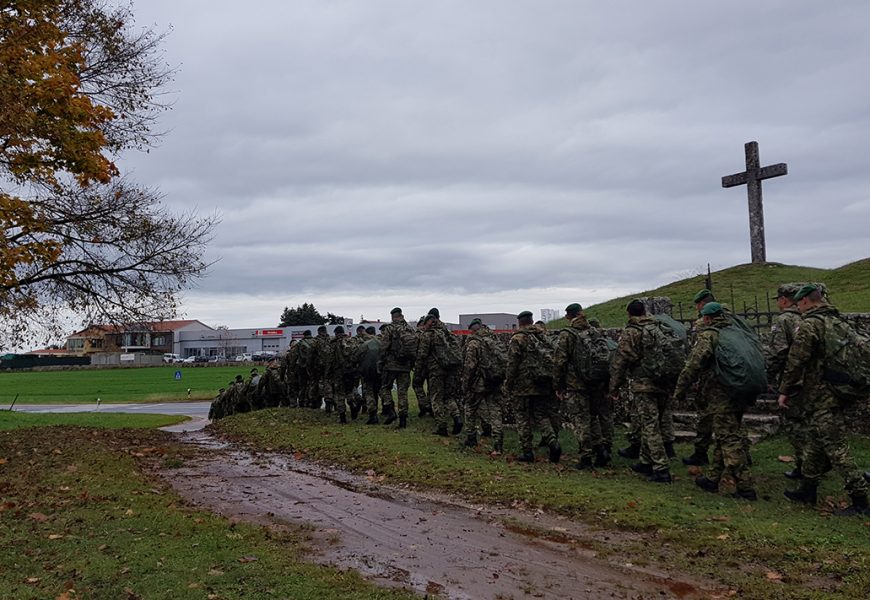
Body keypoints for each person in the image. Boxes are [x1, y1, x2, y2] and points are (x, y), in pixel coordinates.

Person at [779, 284, 870, 516]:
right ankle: (808, 489)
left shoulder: (810, 324)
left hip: (823, 395)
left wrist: (784, 390)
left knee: (836, 447)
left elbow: (796, 360)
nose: (797, 308)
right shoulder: (838, 321)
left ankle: (860, 499)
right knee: (815, 442)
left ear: (807, 302)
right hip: (841, 389)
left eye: (799, 304)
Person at [673, 302, 756, 499]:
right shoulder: (736, 332)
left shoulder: (710, 335)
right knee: (723, 436)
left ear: (708, 318)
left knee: (728, 440)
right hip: (739, 391)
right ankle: (712, 479)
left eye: (702, 317)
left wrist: (679, 391)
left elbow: (693, 365)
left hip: (721, 396)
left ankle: (745, 488)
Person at [610, 300, 673, 484]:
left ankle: (661, 469)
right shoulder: (658, 327)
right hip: (663, 381)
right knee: (653, 423)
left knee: (650, 426)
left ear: (629, 314)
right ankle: (645, 462)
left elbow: (620, 362)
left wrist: (614, 387)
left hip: (644, 385)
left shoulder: (631, 332)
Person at [555, 303, 610, 469]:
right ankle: (601, 451)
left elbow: (560, 361)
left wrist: (558, 385)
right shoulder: (594, 331)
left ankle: (586, 457)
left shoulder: (568, 334)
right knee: (593, 419)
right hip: (595, 382)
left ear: (568, 316)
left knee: (581, 421)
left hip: (576, 384)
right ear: (582, 314)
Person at [504, 310, 561, 463]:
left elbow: (512, 364)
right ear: (532, 320)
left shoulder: (518, 338)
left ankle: (527, 452)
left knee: (522, 418)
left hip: (522, 386)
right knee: (541, 415)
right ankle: (553, 443)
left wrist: (508, 385)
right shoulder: (542, 336)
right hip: (542, 382)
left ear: (520, 323)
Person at [765, 283, 806, 479]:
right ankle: (816, 464)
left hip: (794, 380)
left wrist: (769, 376)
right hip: (815, 380)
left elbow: (778, 352)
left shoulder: (784, 320)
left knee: (796, 426)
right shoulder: (809, 317)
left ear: (784, 300)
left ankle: (806, 468)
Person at [415, 313, 463, 436]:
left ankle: (441, 426)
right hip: (450, 368)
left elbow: (422, 355)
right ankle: (457, 417)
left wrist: (418, 372)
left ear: (427, 323)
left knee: (436, 398)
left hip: (436, 370)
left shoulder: (428, 335)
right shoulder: (447, 333)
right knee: (448, 396)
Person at [461, 318, 504, 453]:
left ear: (473, 329)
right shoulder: (494, 339)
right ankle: (498, 441)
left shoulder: (474, 343)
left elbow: (470, 366)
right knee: (495, 410)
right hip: (494, 380)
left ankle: (471, 437)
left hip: (479, 383)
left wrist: (466, 384)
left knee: (470, 408)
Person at [378, 307, 414, 427]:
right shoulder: (409, 328)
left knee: (385, 388)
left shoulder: (390, 328)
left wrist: (381, 361)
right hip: (405, 366)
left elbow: (384, 347)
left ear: (393, 316)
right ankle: (403, 419)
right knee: (402, 392)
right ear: (401, 315)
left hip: (391, 365)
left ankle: (391, 411)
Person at [413, 316, 433, 417]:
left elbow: (414, 350)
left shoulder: (417, 335)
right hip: (432, 365)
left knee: (417, 385)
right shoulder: (432, 334)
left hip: (421, 365)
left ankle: (423, 405)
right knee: (431, 387)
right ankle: (430, 406)